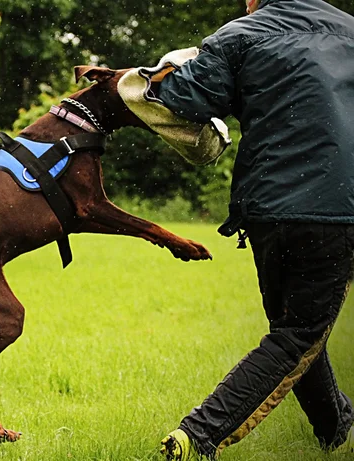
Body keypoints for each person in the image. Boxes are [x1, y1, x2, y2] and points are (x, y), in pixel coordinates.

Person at [154, 0, 354, 459]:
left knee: (295, 325)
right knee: (299, 331)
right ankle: (197, 435)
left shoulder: (239, 34)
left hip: (269, 211)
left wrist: (168, 69)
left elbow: (184, 98)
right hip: (337, 206)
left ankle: (335, 428)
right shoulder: (349, 31)